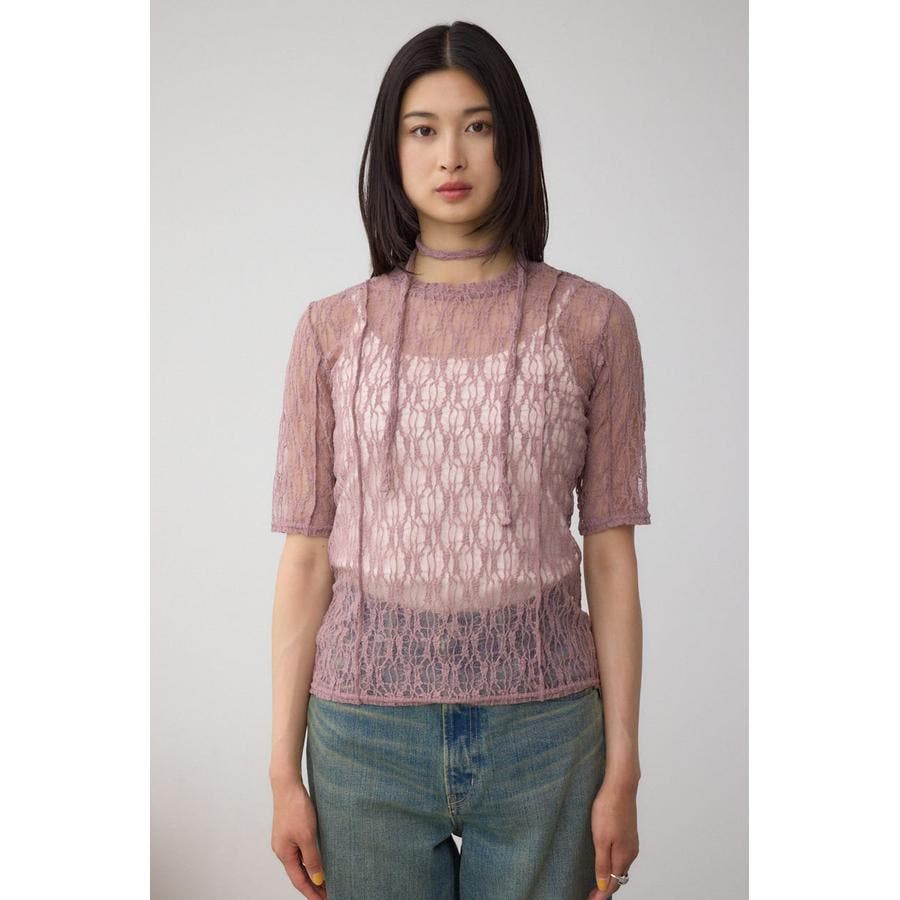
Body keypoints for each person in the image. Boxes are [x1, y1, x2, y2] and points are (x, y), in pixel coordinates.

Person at [268, 21, 650, 900]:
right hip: (363, 737)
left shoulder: (591, 323)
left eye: (478, 125)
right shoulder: (332, 330)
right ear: (392, 150)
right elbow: (306, 558)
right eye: (423, 129)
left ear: (513, 141)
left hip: (547, 735)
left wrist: (625, 765)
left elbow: (611, 554)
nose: (452, 154)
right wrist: (282, 771)